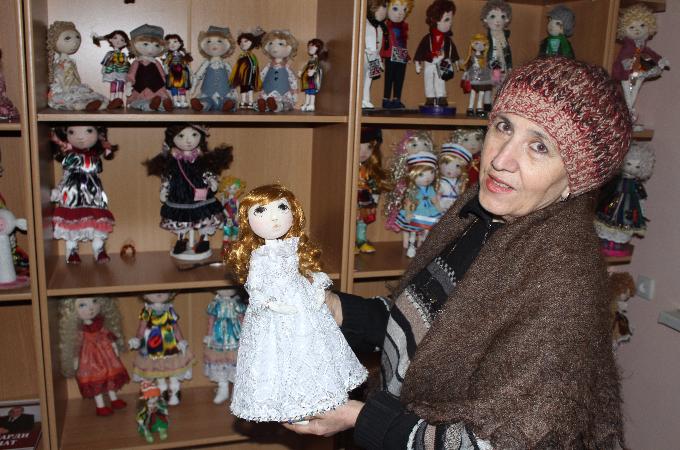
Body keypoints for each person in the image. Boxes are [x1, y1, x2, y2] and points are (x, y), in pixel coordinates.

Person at [284, 56, 632, 449]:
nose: (499, 160)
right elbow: (426, 329)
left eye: (539, 146)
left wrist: (358, 418)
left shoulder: (564, 284)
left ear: (575, 180)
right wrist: (335, 308)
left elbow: (495, 442)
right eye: (504, 126)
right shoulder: (478, 214)